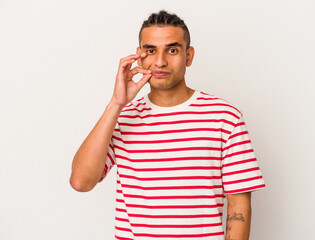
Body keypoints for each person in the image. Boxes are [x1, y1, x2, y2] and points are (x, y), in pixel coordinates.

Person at [70, 10, 266, 240]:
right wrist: (116, 104)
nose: (160, 61)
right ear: (139, 56)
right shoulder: (122, 118)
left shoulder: (225, 118)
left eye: (172, 50)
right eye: (151, 50)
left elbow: (239, 206)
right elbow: (81, 182)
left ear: (189, 56)